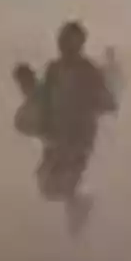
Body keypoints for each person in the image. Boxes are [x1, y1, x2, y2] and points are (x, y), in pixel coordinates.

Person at [37, 21, 117, 239]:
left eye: (69, 41)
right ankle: (79, 207)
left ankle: (77, 237)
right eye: (61, 41)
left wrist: (96, 102)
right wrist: (42, 122)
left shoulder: (88, 71)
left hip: (79, 138)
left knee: (67, 178)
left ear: (79, 44)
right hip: (56, 136)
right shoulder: (53, 69)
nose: (63, 46)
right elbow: (44, 98)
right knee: (45, 184)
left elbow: (108, 101)